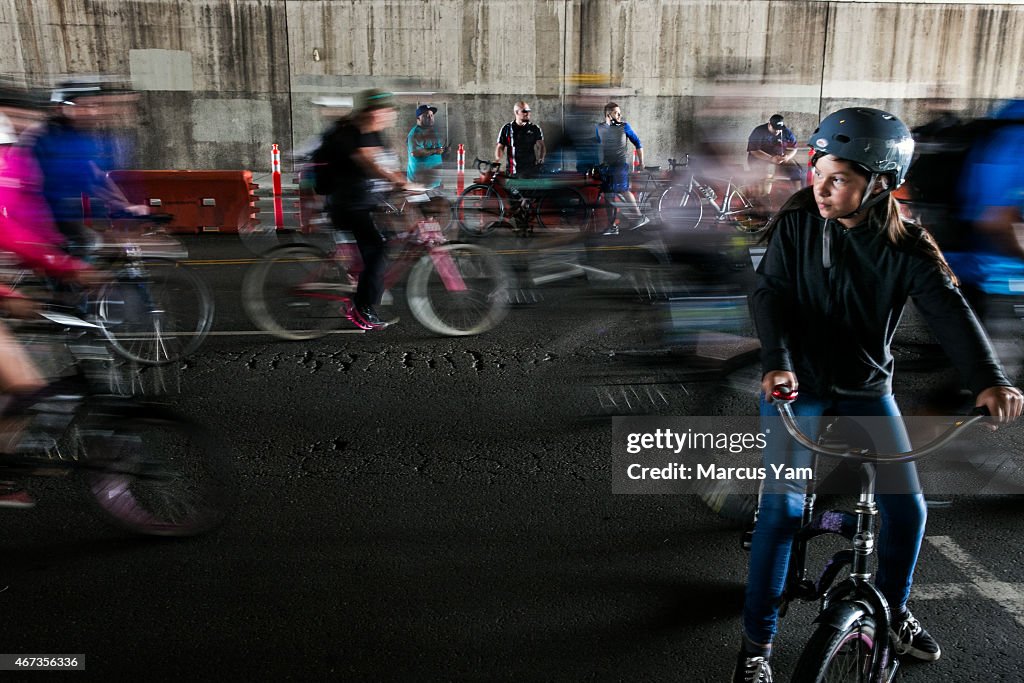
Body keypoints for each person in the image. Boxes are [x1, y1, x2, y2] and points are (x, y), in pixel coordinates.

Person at [734, 107, 1024, 683]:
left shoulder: (909, 246)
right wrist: (776, 364)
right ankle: (755, 648)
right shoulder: (798, 220)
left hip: (867, 392)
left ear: (880, 184)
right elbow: (769, 295)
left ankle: (892, 612)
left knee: (906, 510)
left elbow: (951, 314)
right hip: (797, 388)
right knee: (781, 513)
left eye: (838, 177)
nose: (819, 184)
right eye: (818, 169)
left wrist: (989, 379)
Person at [316, 87, 407, 330]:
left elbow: (388, 165)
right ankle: (362, 308)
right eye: (383, 110)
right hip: (347, 205)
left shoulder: (375, 135)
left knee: (389, 236)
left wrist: (408, 185)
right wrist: (396, 181)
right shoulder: (349, 134)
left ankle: (360, 280)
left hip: (365, 201)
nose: (388, 114)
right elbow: (368, 163)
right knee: (377, 249)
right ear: (370, 112)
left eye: (389, 110)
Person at [31, 79, 150, 256]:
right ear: (63, 108)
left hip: (60, 208)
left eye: (94, 105)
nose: (92, 112)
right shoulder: (51, 137)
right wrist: (122, 207)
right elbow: (89, 180)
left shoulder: (76, 135)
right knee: (87, 245)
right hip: (38, 209)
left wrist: (126, 205)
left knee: (100, 246)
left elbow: (97, 175)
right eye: (84, 106)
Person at [595, 102, 648, 234]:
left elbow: (638, 143)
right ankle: (612, 226)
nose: (620, 115)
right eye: (616, 113)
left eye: (620, 112)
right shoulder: (600, 128)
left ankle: (639, 217)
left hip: (619, 165)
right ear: (608, 114)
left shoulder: (624, 126)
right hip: (606, 167)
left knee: (623, 189)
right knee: (609, 195)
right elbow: (596, 147)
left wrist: (641, 162)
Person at [747, 113, 802, 195]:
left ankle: (798, 195)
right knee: (768, 172)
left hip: (780, 158)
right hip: (760, 159)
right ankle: (765, 196)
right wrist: (771, 158)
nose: (778, 131)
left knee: (796, 171)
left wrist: (787, 157)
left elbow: (794, 148)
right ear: (769, 124)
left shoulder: (786, 132)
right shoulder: (759, 131)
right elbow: (754, 151)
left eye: (779, 129)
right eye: (775, 129)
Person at [495, 101, 545, 177]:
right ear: (516, 112)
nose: (527, 113)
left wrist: (541, 159)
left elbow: (541, 146)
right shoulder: (507, 128)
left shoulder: (535, 128)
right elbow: (500, 147)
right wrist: (497, 159)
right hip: (513, 171)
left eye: (529, 111)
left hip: (530, 171)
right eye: (524, 111)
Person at [406, 103, 447, 188]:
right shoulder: (415, 133)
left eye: (432, 115)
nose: (430, 118)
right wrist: (435, 151)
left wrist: (444, 151)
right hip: (420, 182)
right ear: (418, 118)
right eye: (426, 116)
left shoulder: (433, 131)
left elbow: (437, 150)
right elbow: (415, 152)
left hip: (434, 182)